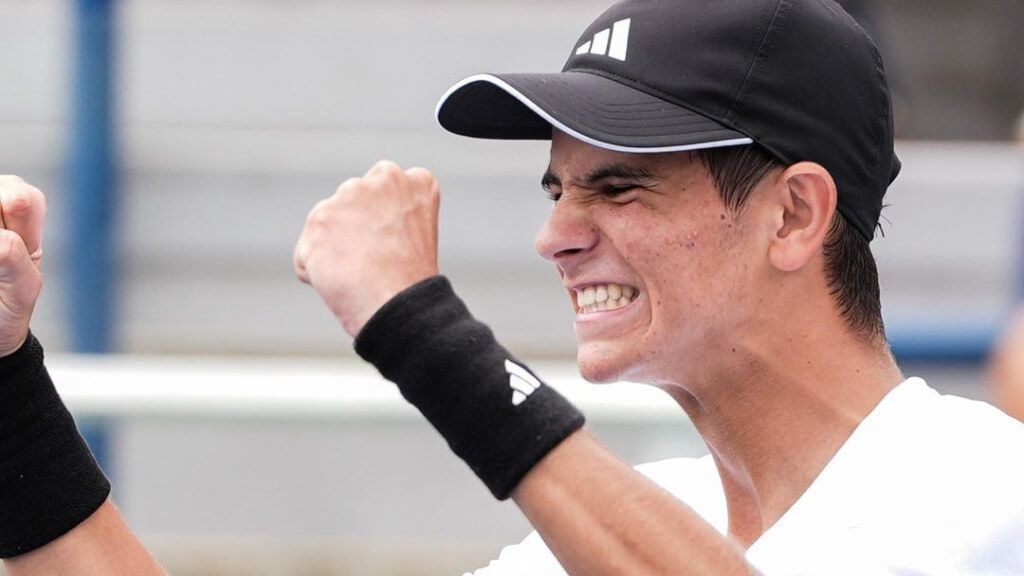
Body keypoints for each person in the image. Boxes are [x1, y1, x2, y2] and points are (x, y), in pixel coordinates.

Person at [2, 1, 1024, 575]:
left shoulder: (988, 487)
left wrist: (426, 335)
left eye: (618, 187)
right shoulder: (618, 526)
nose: (554, 237)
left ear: (794, 214)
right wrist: (9, 382)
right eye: (555, 191)